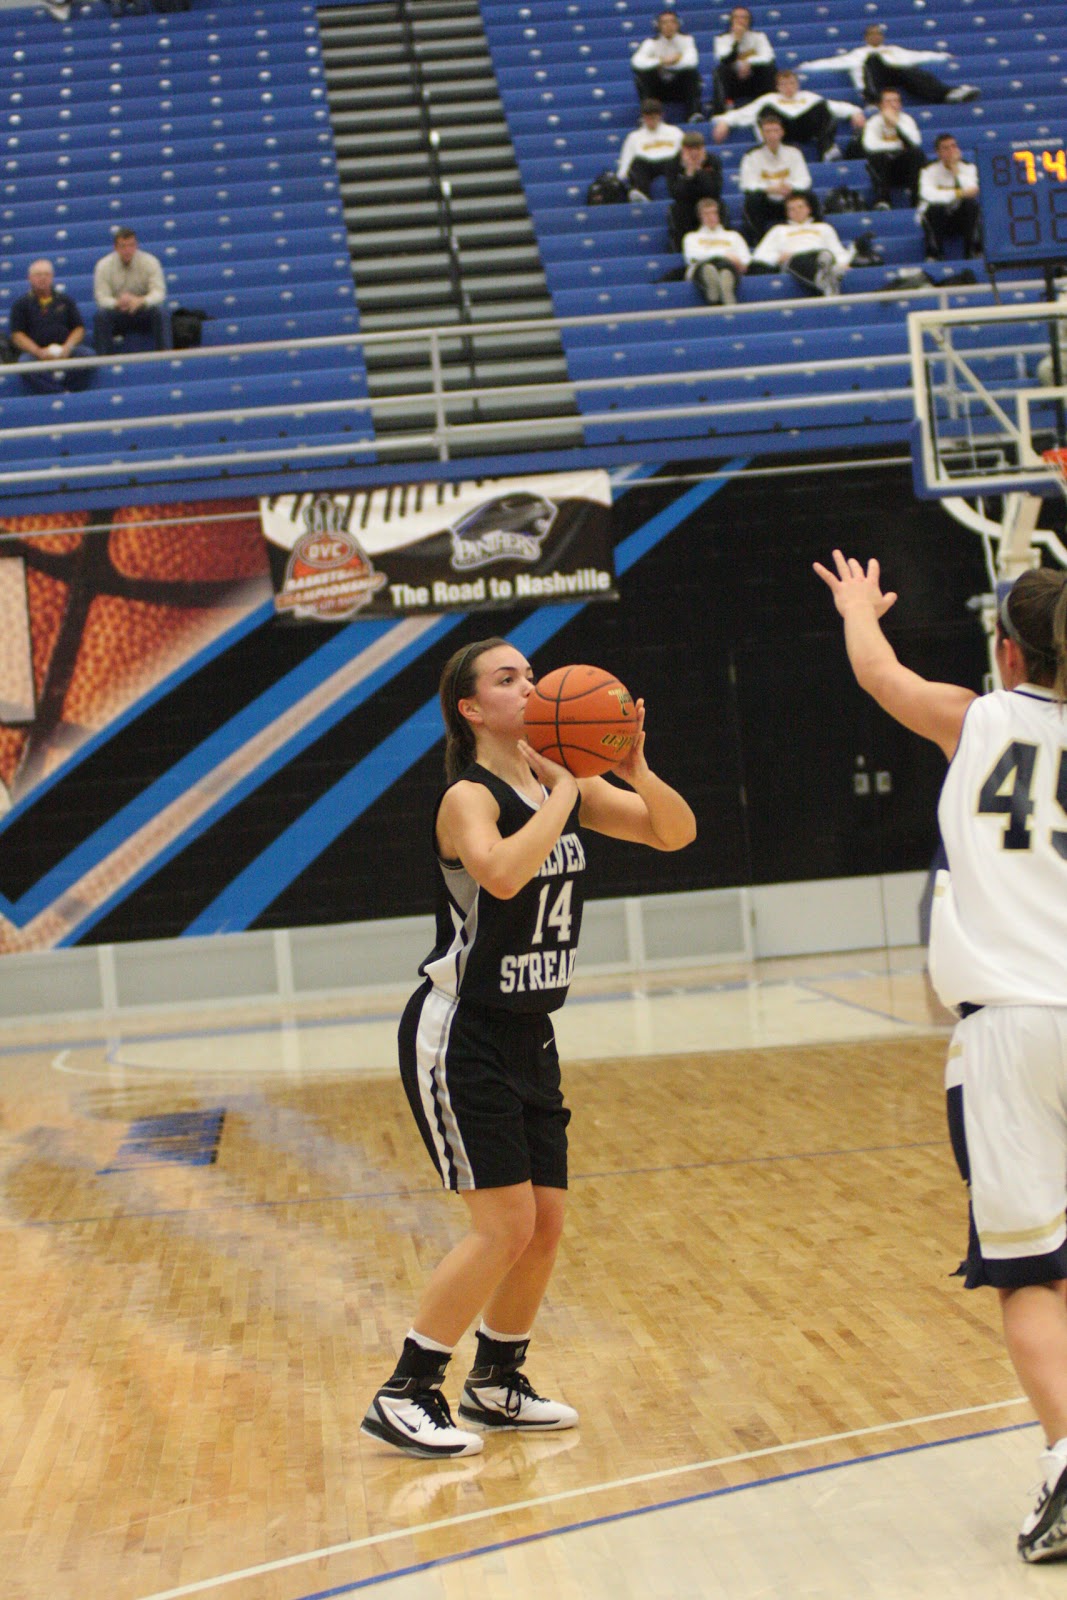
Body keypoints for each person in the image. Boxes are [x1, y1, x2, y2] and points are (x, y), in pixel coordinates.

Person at [361, 638, 696, 1458]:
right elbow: (503, 875)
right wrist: (567, 788)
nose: (529, 686)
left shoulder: (562, 788)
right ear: (472, 709)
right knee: (503, 1224)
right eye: (507, 680)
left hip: (529, 1030)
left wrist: (634, 765)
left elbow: (673, 834)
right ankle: (405, 1388)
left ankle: (498, 1380)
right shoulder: (468, 797)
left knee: (544, 1224)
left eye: (531, 675)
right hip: (459, 1030)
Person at [813, 549, 1067, 1563]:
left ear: (1003, 648)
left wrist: (855, 609)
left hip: (1008, 1025)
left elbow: (878, 676)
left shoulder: (977, 717)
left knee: (1026, 1271)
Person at [802, 24, 979, 106]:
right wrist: (807, 66)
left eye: (878, 34)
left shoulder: (893, 49)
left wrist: (942, 56)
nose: (876, 37)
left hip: (896, 74)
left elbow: (917, 55)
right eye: (872, 34)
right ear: (866, 38)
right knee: (872, 60)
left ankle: (948, 94)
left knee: (911, 70)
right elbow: (834, 63)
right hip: (876, 79)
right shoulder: (859, 53)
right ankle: (873, 100)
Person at [712, 68, 864, 161]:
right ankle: (775, 148)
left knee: (821, 107)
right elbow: (744, 113)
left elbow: (835, 107)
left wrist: (855, 112)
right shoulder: (769, 100)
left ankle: (827, 149)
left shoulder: (809, 97)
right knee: (766, 111)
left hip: (805, 129)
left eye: (791, 83)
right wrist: (724, 122)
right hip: (783, 131)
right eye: (784, 84)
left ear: (797, 84)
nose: (788, 87)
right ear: (777, 87)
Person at [9, 259, 93, 393]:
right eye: (38, 275)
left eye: (46, 274)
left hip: (65, 349)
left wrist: (67, 347)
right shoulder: (21, 305)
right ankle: (59, 391)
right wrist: (38, 352)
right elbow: (17, 335)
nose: (43, 278)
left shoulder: (65, 300)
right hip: (35, 353)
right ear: (29, 278)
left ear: (52, 277)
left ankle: (68, 387)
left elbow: (79, 328)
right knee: (24, 364)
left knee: (88, 356)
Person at [750, 192, 852, 295]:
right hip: (793, 259)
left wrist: (842, 263)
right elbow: (759, 256)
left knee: (824, 256)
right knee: (797, 260)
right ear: (787, 213)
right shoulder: (778, 230)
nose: (797, 211)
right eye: (792, 209)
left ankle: (826, 276)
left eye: (800, 207)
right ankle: (825, 280)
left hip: (818, 255)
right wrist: (778, 258)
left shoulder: (824, 227)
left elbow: (837, 250)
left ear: (809, 209)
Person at [92, 227, 168, 355]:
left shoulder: (150, 262)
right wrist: (117, 303)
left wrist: (141, 301)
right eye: (123, 246)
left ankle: (166, 357)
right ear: (115, 248)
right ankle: (104, 361)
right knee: (101, 316)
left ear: (136, 245)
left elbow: (159, 293)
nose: (128, 250)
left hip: (142, 311)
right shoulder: (103, 265)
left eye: (131, 245)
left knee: (161, 312)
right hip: (118, 313)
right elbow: (101, 298)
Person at [738, 110, 812, 240]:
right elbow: (746, 184)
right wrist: (770, 188)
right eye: (768, 131)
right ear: (762, 134)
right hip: (766, 201)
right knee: (752, 200)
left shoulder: (794, 153)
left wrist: (790, 187)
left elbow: (804, 180)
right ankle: (759, 240)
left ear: (782, 132)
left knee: (809, 197)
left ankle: (810, 233)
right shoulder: (751, 155)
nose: (772, 135)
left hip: (789, 198)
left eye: (775, 130)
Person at [631, 11, 703, 123]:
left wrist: (669, 65)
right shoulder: (650, 43)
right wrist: (662, 61)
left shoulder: (687, 40)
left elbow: (692, 62)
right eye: (664, 23)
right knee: (642, 76)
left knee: (692, 74)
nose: (669, 26)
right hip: (659, 89)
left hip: (680, 87)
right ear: (658, 26)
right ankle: (649, 115)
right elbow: (636, 62)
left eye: (672, 22)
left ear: (677, 25)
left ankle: (694, 113)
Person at [918, 134, 982, 260]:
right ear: (938, 153)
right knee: (934, 208)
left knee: (971, 205)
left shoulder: (969, 168)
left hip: (962, 219)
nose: (951, 151)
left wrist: (955, 171)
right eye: (946, 148)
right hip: (940, 219)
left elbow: (973, 190)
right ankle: (935, 254)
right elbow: (927, 195)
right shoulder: (929, 170)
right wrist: (957, 193)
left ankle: (971, 252)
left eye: (953, 146)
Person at [862, 88, 925, 207]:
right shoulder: (874, 122)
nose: (892, 104)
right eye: (888, 101)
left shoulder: (906, 120)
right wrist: (897, 145)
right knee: (877, 157)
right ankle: (883, 200)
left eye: (895, 101)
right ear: (880, 105)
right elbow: (869, 146)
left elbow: (915, 142)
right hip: (885, 169)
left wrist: (896, 123)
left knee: (917, 154)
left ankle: (916, 199)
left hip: (904, 169)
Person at [682, 196, 750, 304]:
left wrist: (734, 262)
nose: (711, 217)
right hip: (702, 267)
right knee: (707, 267)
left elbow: (745, 260)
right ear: (700, 216)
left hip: (729, 267)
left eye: (714, 213)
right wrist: (725, 255)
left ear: (719, 215)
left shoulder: (733, 236)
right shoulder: (692, 237)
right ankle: (713, 286)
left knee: (726, 269)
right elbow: (693, 257)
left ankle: (725, 289)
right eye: (706, 214)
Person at [710, 6, 777, 114]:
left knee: (769, 68)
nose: (740, 21)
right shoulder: (722, 39)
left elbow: (768, 56)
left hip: (754, 79)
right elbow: (724, 59)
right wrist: (736, 42)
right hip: (734, 82)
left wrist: (748, 62)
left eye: (744, 18)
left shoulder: (759, 37)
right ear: (731, 20)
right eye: (737, 17)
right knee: (720, 71)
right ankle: (723, 110)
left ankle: (770, 107)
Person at [616, 99, 684, 201]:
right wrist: (622, 174)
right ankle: (643, 195)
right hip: (647, 165)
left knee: (673, 163)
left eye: (653, 118)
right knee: (638, 164)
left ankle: (676, 195)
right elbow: (627, 158)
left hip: (669, 163)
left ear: (661, 116)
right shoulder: (634, 136)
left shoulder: (675, 132)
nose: (650, 121)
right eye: (647, 118)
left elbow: (683, 152)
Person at [666, 129, 724, 249]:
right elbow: (675, 193)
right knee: (677, 210)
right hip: (686, 203)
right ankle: (680, 247)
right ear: (683, 150)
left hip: (707, 200)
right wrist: (689, 173)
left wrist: (699, 171)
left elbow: (714, 191)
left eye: (697, 149)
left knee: (719, 206)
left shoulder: (713, 161)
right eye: (689, 149)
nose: (694, 153)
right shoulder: (673, 163)